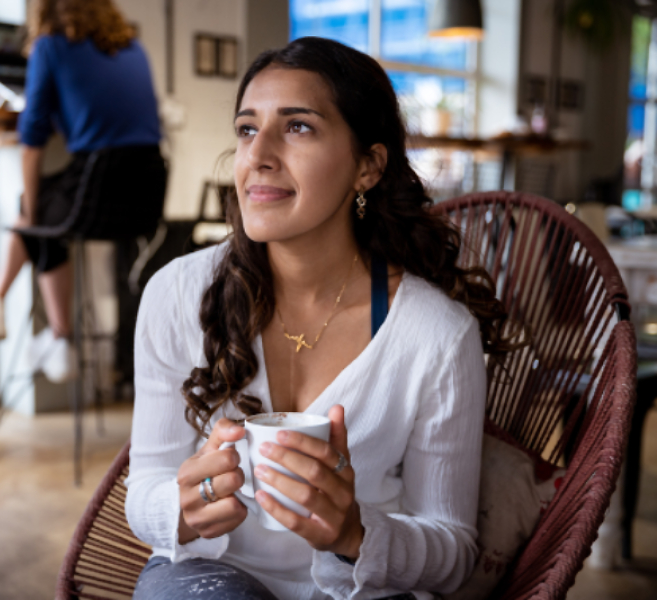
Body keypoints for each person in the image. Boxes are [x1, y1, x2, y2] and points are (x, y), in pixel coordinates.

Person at [125, 38, 521, 600]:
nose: (258, 153)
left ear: (368, 166)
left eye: (298, 127)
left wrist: (356, 535)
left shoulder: (436, 335)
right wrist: (179, 511)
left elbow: (452, 552)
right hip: (207, 583)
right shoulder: (176, 294)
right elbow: (143, 490)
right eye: (246, 129)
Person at [0, 0, 165, 383]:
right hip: (145, 192)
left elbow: (32, 142)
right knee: (42, 209)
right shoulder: (132, 45)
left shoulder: (50, 46)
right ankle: (4, 306)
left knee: (33, 209)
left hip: (95, 186)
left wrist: (28, 213)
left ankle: (21, 314)